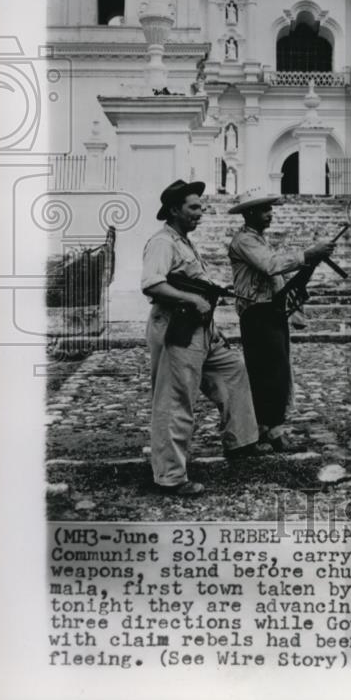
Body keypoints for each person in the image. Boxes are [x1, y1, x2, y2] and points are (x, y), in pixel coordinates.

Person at [141, 180, 261, 497]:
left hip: (200, 327)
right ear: (174, 210)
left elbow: (190, 280)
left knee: (233, 370)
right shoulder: (162, 242)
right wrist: (191, 299)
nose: (201, 213)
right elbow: (152, 284)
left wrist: (207, 299)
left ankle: (241, 443)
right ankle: (170, 477)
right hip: (176, 327)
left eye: (201, 207)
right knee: (175, 400)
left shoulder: (183, 241)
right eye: (194, 207)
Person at [227, 191, 335, 452]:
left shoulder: (259, 239)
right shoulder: (244, 241)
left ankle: (268, 430)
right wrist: (308, 254)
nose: (270, 213)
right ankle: (269, 432)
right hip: (257, 313)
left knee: (276, 372)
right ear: (249, 213)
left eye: (270, 209)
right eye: (264, 209)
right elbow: (270, 266)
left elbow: (276, 277)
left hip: (271, 310)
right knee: (267, 373)